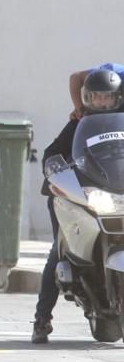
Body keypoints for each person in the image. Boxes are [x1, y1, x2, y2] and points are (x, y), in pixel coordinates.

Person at [32, 63, 124, 343]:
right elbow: (52, 153)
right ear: (87, 98)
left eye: (107, 97)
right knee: (57, 250)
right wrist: (55, 170)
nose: (101, 102)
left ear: (118, 97)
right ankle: (42, 319)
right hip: (81, 194)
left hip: (116, 194)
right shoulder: (79, 122)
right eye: (95, 97)